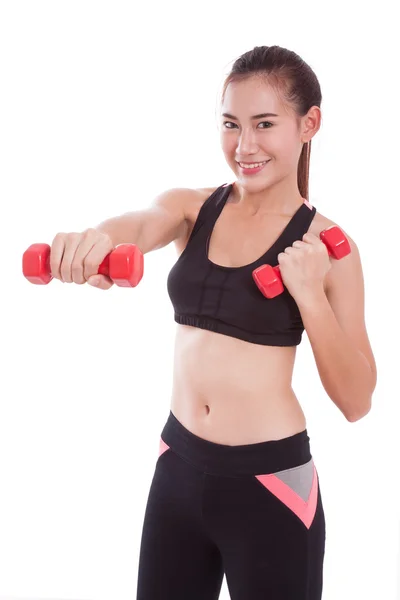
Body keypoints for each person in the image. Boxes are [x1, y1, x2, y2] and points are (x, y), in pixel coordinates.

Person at [49, 45, 377, 599]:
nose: (244, 146)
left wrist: (310, 298)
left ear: (309, 124)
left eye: (264, 124)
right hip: (177, 466)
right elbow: (139, 224)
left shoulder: (329, 249)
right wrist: (95, 243)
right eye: (231, 124)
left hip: (270, 486)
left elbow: (357, 400)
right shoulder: (192, 208)